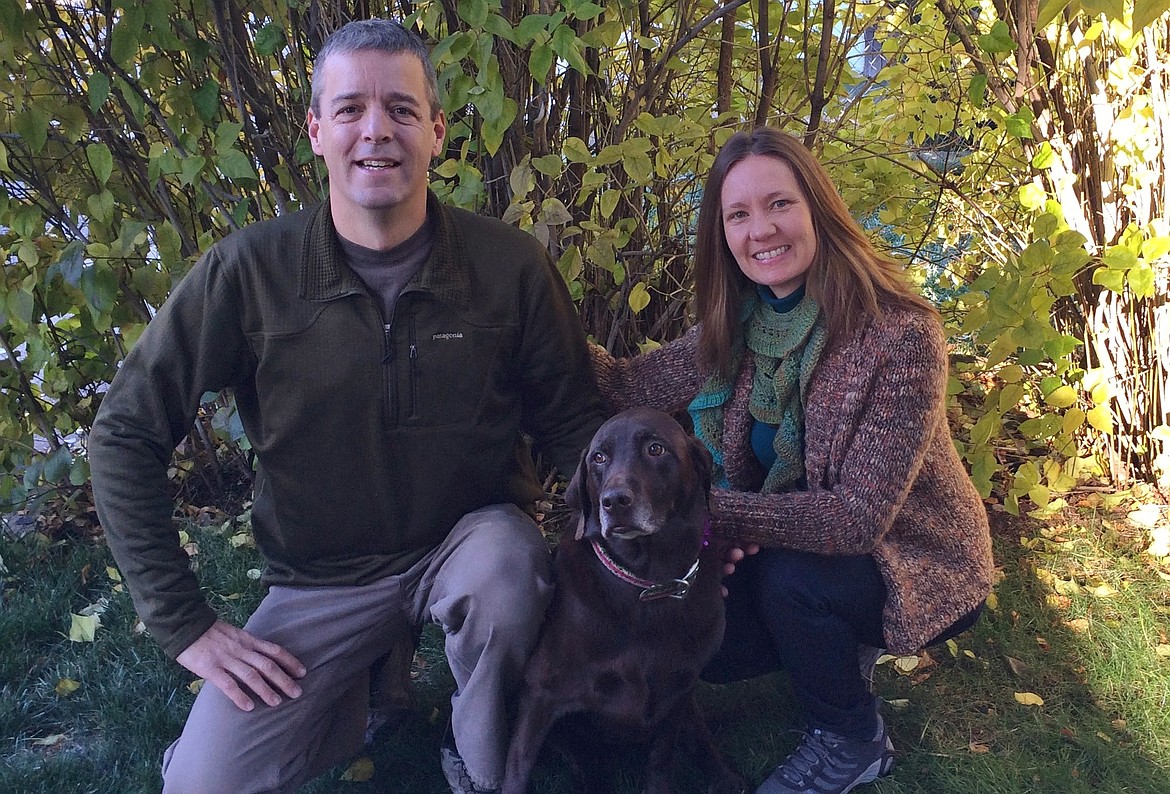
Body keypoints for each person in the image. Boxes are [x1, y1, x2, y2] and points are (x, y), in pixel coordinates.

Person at [88, 18, 605, 794]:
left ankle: (485, 754)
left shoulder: (510, 266)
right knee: (202, 786)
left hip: (470, 548)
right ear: (316, 131)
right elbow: (124, 433)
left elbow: (574, 424)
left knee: (504, 569)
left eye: (401, 110)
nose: (377, 131)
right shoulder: (249, 272)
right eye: (351, 109)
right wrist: (187, 628)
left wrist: (639, 551)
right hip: (320, 579)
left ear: (435, 132)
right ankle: (368, 681)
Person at [589, 127, 994, 794]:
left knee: (785, 577)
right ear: (722, 234)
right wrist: (526, 317)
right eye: (739, 214)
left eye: (779, 204)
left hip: (916, 560)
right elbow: (625, 388)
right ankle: (828, 649)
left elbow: (857, 521)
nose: (761, 230)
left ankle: (850, 740)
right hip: (797, 547)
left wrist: (699, 514)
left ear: (817, 210)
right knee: (704, 626)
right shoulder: (739, 325)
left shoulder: (899, 335)